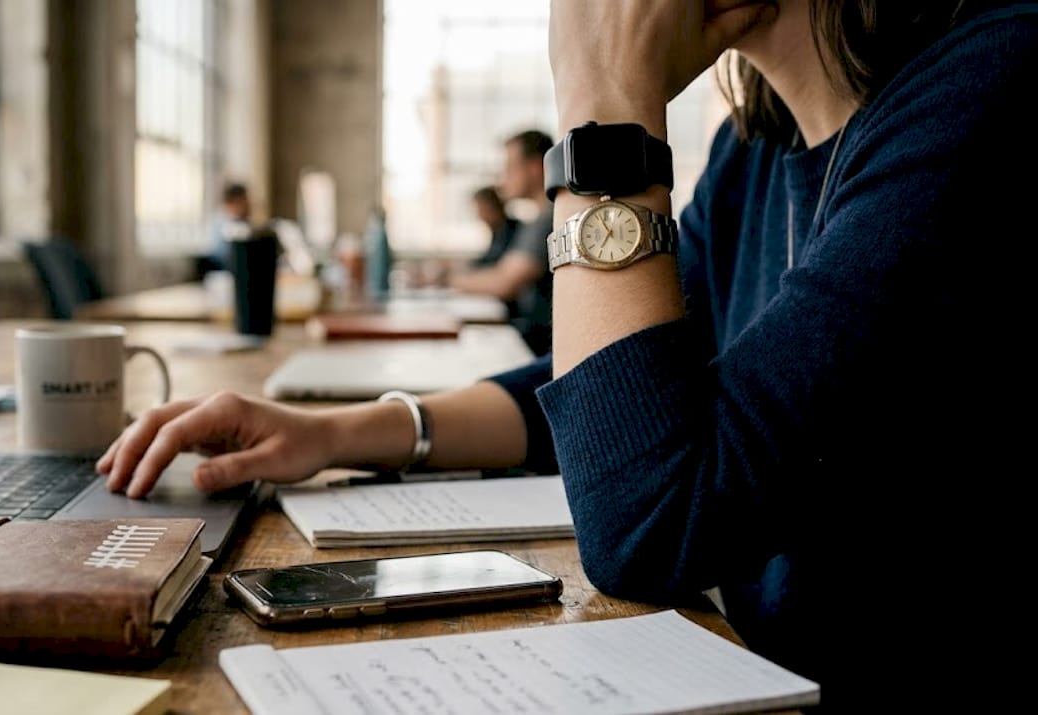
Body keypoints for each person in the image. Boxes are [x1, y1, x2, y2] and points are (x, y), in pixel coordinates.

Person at [99, 1, 1035, 707]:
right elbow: (622, 395)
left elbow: (648, 526)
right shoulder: (761, 150)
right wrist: (342, 430)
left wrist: (602, 117)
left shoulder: (997, 86)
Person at [447, 129, 555, 355]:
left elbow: (503, 282)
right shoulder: (537, 219)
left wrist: (447, 280)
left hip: (542, 351)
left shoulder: (550, 218)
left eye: (508, 168)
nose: (501, 178)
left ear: (535, 167)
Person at [199, 181, 253, 276]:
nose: (249, 204)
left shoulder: (241, 221)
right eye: (245, 200)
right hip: (220, 271)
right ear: (235, 201)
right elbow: (226, 256)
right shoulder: (223, 222)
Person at [468, 185, 521, 269]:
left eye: (481, 209)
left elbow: (497, 264)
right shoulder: (498, 231)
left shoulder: (513, 231)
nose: (479, 215)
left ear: (492, 207)